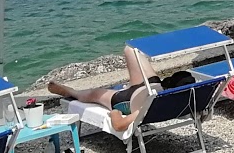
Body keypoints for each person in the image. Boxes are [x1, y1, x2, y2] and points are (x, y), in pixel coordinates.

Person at [47, 44, 196, 131]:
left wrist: (115, 113)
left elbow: (119, 125)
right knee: (131, 49)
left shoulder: (153, 106)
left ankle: (71, 92)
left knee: (94, 95)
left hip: (128, 99)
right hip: (151, 86)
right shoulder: (190, 99)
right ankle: (128, 85)